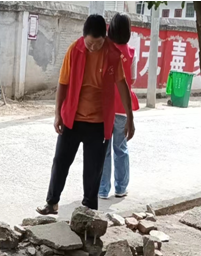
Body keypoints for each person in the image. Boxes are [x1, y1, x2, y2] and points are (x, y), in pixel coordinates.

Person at [36, 14, 135, 215]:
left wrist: (130, 118)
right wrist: (58, 114)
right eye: (89, 43)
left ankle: (88, 210)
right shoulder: (75, 50)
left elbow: (122, 85)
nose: (92, 48)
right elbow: (62, 84)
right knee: (60, 161)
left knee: (93, 170)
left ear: (104, 38)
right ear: (83, 38)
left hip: (99, 123)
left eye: (97, 44)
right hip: (72, 118)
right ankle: (52, 202)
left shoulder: (112, 54)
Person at [99, 13, 140, 199]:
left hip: (104, 108)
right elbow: (132, 79)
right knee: (121, 149)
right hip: (123, 109)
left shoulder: (104, 50)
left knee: (104, 150)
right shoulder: (131, 53)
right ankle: (121, 188)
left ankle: (102, 189)